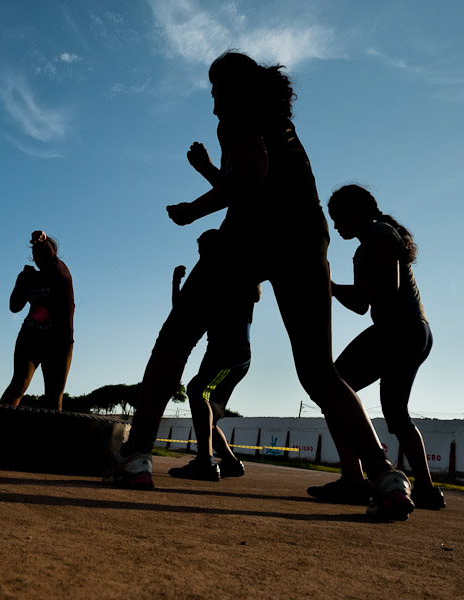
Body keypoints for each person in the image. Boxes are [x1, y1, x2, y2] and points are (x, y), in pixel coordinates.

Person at [104, 51, 414, 520]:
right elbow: (254, 180)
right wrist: (210, 176)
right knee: (319, 372)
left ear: (232, 89)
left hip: (253, 234)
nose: (212, 105)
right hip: (306, 239)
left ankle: (138, 456)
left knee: (176, 337)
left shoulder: (238, 115)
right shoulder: (278, 124)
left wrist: (192, 208)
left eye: (214, 92)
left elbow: (248, 180)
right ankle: (386, 477)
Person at [306, 184, 444, 509]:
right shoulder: (369, 243)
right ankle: (426, 490)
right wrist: (334, 288)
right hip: (414, 332)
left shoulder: (379, 234)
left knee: (331, 387)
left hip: (398, 331)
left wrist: (329, 286)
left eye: (340, 216)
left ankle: (354, 481)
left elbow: (384, 289)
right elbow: (361, 306)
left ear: (361, 211)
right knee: (396, 415)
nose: (336, 224)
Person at [168, 229, 257, 481]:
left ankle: (205, 461)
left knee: (197, 391)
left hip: (230, 353)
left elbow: (256, 292)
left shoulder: (233, 273)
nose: (201, 258)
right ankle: (230, 462)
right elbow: (181, 311)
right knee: (206, 410)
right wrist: (176, 283)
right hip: (225, 353)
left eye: (204, 252)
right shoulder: (211, 279)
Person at [0, 231, 74, 411]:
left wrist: (43, 241)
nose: (38, 257)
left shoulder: (62, 275)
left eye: (42, 252)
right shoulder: (30, 277)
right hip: (30, 338)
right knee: (18, 385)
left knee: (54, 397)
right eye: (36, 253)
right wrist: (21, 281)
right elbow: (14, 306)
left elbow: (52, 261)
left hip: (58, 343)